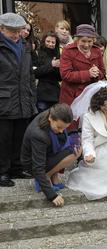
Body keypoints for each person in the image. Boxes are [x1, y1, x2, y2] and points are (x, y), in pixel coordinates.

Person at [0, 13, 37, 186]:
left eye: (19, 30)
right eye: (12, 31)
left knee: (20, 136)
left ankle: (17, 168)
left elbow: (30, 74)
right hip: (4, 100)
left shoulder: (25, 45)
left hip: (24, 98)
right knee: (3, 138)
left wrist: (32, 96)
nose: (16, 34)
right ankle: (2, 172)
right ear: (1, 29)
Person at [21, 104, 82, 207]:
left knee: (76, 148)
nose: (62, 131)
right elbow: (37, 167)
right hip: (32, 163)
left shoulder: (54, 113)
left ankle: (53, 176)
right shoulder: (39, 135)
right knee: (73, 152)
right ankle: (45, 177)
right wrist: (52, 196)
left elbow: (61, 140)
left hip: (47, 153)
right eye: (59, 127)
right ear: (50, 118)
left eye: (64, 128)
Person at [59, 24, 105, 131]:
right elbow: (65, 74)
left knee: (91, 129)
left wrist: (97, 73)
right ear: (77, 40)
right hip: (72, 96)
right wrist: (88, 74)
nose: (86, 44)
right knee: (72, 129)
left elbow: (103, 72)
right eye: (83, 41)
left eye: (90, 41)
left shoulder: (96, 51)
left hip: (91, 97)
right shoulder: (68, 51)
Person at [34, 31, 61, 112]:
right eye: (48, 41)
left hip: (55, 94)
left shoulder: (58, 55)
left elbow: (60, 77)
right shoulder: (37, 53)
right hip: (42, 94)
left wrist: (57, 68)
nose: (50, 44)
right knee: (41, 120)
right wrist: (51, 65)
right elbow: (35, 73)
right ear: (44, 41)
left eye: (53, 42)